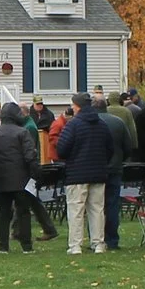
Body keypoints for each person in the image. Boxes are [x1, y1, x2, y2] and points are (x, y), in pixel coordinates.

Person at [54, 91, 113, 255]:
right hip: (98, 172)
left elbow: (62, 149)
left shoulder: (73, 125)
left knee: (76, 210)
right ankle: (98, 243)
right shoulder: (101, 124)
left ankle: (75, 245)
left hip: (76, 174)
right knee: (97, 209)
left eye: (73, 105)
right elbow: (110, 148)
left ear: (78, 106)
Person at [0, 102, 40, 252]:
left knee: (4, 212)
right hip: (21, 180)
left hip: (1, 179)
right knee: (23, 213)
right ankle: (26, 246)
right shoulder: (22, 133)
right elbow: (30, 157)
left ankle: (2, 245)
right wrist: (36, 175)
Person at [97, 94, 134, 251]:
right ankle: (112, 239)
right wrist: (119, 160)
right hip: (115, 168)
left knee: (95, 205)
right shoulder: (118, 122)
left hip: (96, 169)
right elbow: (128, 146)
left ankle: (96, 238)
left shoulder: (92, 123)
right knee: (112, 204)